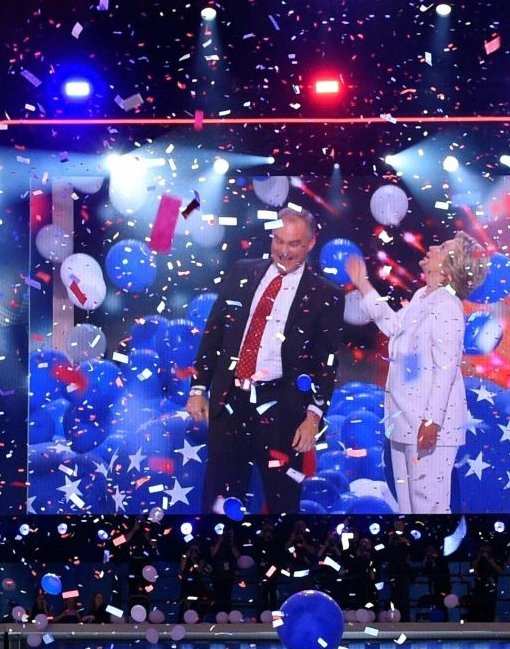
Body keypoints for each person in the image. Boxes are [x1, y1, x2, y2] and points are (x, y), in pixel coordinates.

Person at [188, 206, 344, 522]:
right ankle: (218, 566)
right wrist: (198, 388)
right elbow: (214, 333)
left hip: (283, 411)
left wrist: (313, 416)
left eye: (294, 244)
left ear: (311, 243)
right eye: (278, 241)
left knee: (282, 505)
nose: (284, 251)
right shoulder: (242, 272)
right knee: (221, 502)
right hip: (229, 403)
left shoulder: (325, 295)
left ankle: (276, 565)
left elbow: (325, 363)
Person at [343, 238, 479, 514]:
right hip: (405, 417)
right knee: (409, 508)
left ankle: (433, 556)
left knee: (429, 507)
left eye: (441, 249)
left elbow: (447, 367)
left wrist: (432, 420)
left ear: (449, 269)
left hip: (428, 425)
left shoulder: (448, 306)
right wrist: (364, 284)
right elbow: (393, 326)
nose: (431, 248)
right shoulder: (421, 297)